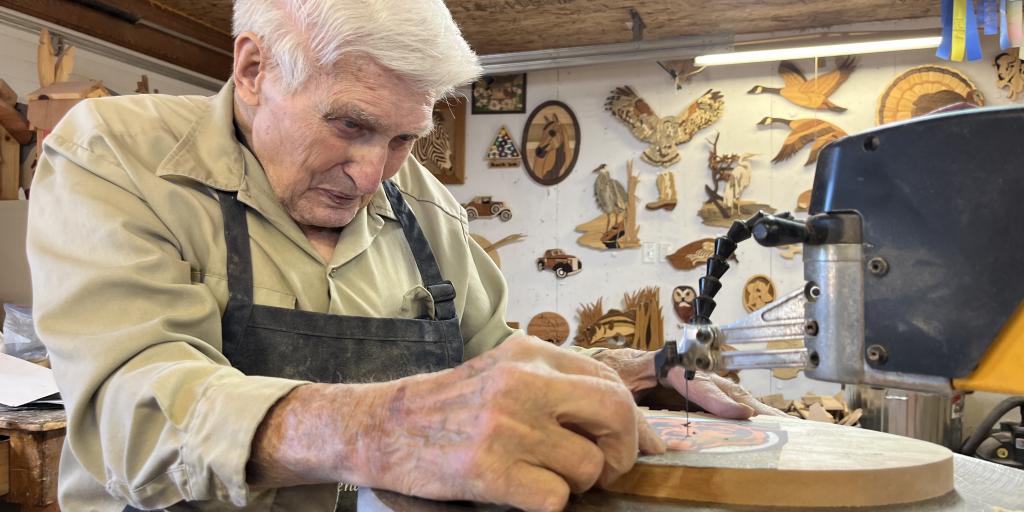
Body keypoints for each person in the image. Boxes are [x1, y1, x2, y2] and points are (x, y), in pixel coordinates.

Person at [26, 1, 783, 511]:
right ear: (254, 70)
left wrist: (635, 372)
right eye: (350, 125)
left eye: (403, 137)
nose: (372, 173)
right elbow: (134, 409)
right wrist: (379, 428)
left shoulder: (419, 200)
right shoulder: (116, 156)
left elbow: (488, 360)